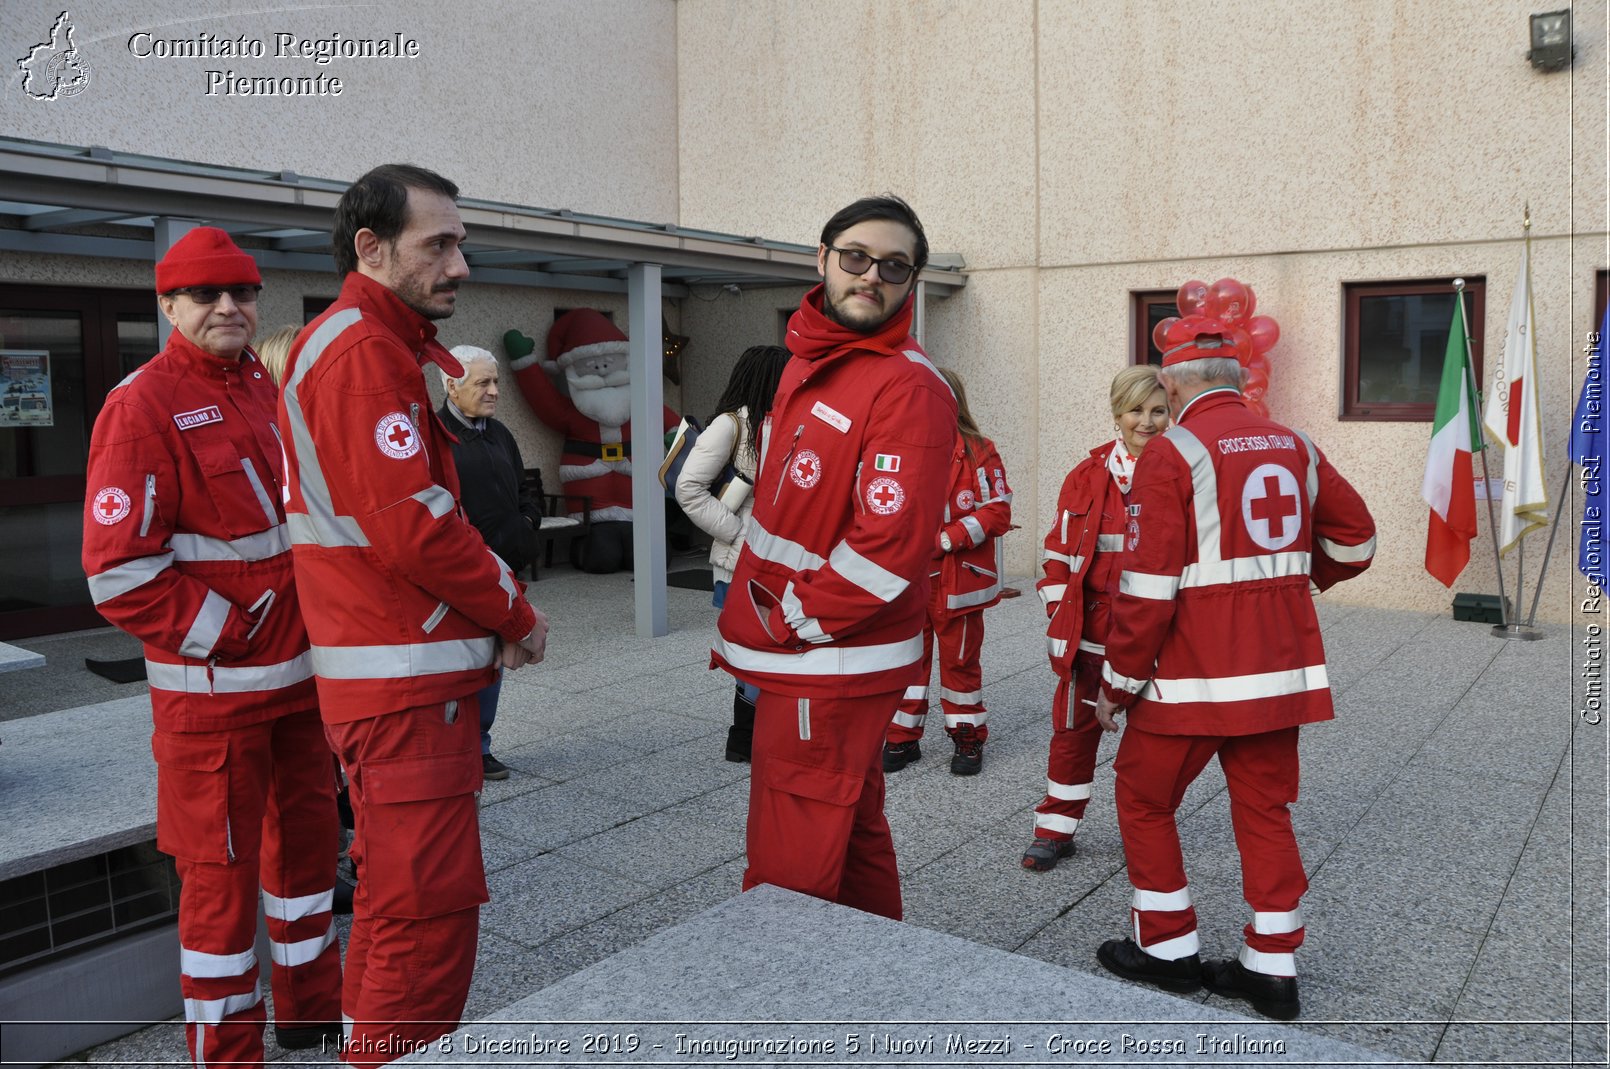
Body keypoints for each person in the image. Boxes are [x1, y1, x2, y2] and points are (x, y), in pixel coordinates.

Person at [277, 163, 548, 1065]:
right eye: (439, 243)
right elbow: (416, 526)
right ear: (371, 247)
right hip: (400, 685)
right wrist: (514, 611)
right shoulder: (362, 351)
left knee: (401, 906)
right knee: (421, 917)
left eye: (461, 242)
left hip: (393, 676)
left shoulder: (367, 343)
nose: (461, 263)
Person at [81, 228, 341, 1064]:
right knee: (220, 896)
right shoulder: (140, 405)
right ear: (167, 305)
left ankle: (310, 1014)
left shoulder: (263, 387)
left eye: (243, 292)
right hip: (213, 706)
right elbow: (119, 575)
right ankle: (226, 1055)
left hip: (301, 690)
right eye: (206, 295)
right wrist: (235, 631)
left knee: (306, 867)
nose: (230, 307)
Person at [1091, 316, 1376, 1020]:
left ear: (1173, 382)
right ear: (1239, 380)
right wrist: (1293, 579)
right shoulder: (1298, 443)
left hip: (1193, 676)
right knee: (1265, 807)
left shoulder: (1170, 452)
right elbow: (1359, 539)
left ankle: (1166, 948)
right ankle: (1271, 968)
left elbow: (1148, 588)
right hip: (1281, 672)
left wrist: (1118, 683)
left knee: (1143, 795)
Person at [712, 195, 957, 921]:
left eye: (893, 265)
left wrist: (791, 623)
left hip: (827, 658)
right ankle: (873, 982)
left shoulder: (907, 385)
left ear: (912, 281)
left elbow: (888, 547)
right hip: (802, 650)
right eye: (855, 256)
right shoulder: (810, 361)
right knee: (850, 829)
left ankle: (787, 1010)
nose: (870, 275)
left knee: (792, 858)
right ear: (821, 260)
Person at [1022, 365, 1167, 872]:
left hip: (1156, 640)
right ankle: (1055, 829)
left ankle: (1145, 835)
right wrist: (1059, 609)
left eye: (1158, 410)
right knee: (1072, 735)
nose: (1146, 422)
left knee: (1153, 749)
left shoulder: (1184, 472)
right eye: (1135, 410)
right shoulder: (1086, 475)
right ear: (1116, 413)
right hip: (1090, 636)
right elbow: (1058, 551)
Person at [882, 367, 1012, 777]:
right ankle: (902, 737)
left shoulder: (979, 449)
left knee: (960, 665)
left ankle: (967, 737)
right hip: (907, 579)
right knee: (907, 662)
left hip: (957, 579)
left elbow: (998, 511)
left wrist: (947, 538)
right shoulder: (895, 448)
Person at [674, 344, 790, 762]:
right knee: (749, 649)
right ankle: (743, 737)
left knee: (778, 647)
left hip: (780, 560)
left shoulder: (785, 422)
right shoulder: (730, 425)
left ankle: (764, 735)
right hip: (740, 561)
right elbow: (688, 488)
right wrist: (738, 532)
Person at [438, 344, 546, 780]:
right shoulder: (436, 434)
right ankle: (461, 747)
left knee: (497, 658)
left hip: (507, 567)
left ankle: (480, 745)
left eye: (495, 381)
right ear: (451, 385)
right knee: (467, 660)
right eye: (483, 382)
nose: (495, 391)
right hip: (465, 572)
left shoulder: (499, 433)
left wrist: (528, 521)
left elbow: (524, 488)